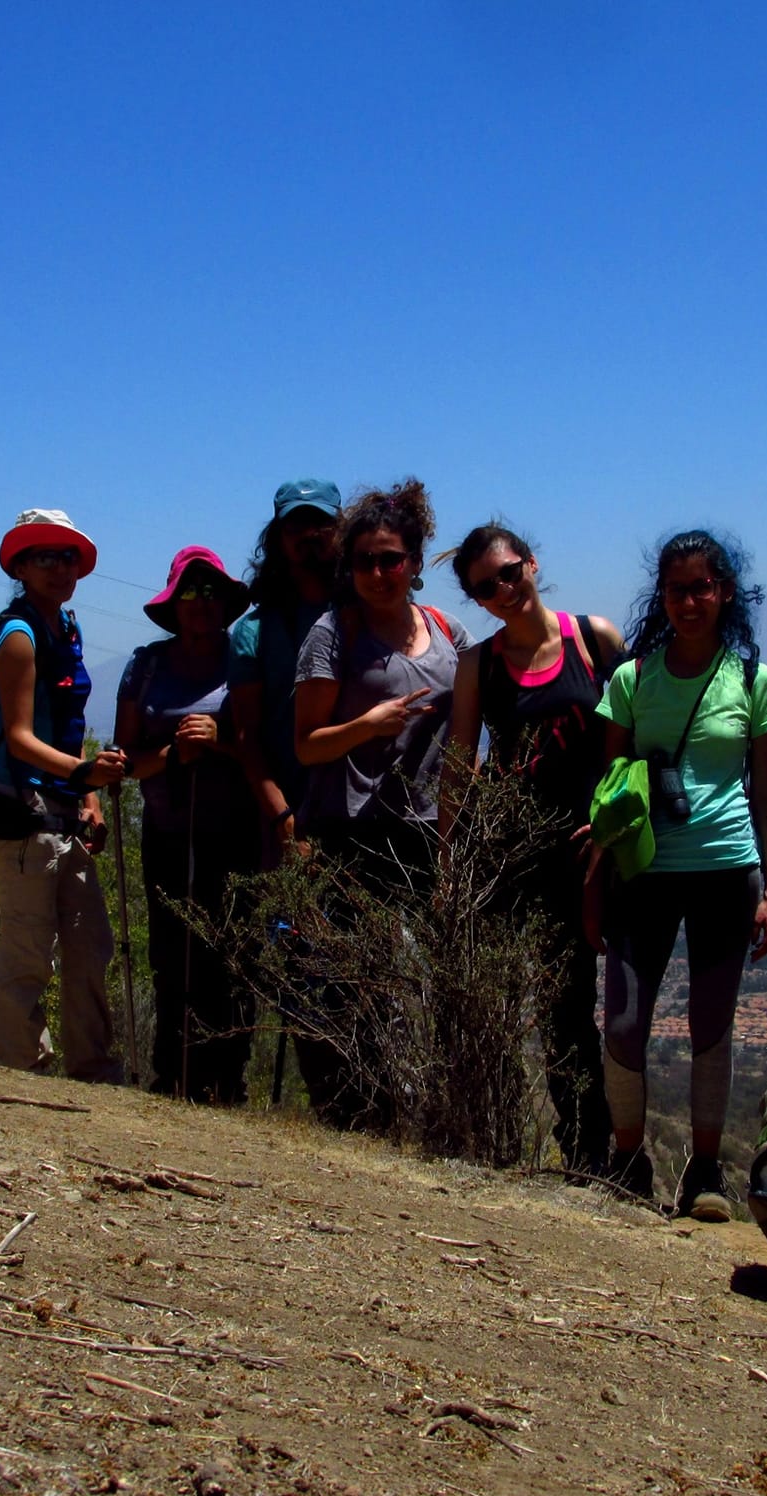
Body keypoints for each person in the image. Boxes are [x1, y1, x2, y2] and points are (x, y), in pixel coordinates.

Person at [592, 530, 767, 1219]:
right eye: (677, 589)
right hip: (643, 872)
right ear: (663, 597)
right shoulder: (631, 679)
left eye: (702, 586)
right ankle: (628, 1159)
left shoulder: (752, 681)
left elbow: (766, 793)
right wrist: (595, 881)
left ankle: (705, 1174)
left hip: (725, 871)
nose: (690, 600)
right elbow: (610, 783)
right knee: (622, 1021)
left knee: (712, 1025)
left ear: (725, 592)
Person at [290, 478, 474, 1127]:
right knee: (352, 984)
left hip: (430, 833)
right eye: (364, 560)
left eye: (390, 558)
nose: (377, 572)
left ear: (416, 564)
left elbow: (473, 728)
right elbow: (307, 746)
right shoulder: (333, 634)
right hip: (353, 834)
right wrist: (368, 725)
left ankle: (426, 1117)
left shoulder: (450, 633)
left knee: (427, 982)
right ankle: (359, 1118)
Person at [441, 523, 622, 1178]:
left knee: (591, 1011)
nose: (502, 591)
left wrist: (615, 827)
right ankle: (519, 1146)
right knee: (516, 1005)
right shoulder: (478, 666)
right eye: (484, 587)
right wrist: (448, 863)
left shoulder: (594, 640)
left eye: (509, 573)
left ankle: (603, 1159)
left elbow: (629, 744)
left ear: (533, 564)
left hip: (592, 856)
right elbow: (459, 767)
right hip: (511, 860)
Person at [0, 508, 127, 1083]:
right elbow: (18, 738)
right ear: (19, 565)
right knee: (28, 950)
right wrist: (84, 772)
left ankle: (94, 1071)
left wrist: (87, 798)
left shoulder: (67, 628)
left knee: (91, 946)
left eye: (67, 556)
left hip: (64, 810)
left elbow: (67, 721)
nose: (60, 567)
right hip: (20, 812)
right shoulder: (17, 636)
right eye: (44, 556)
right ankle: (20, 1072)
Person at [116, 546, 257, 1102]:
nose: (200, 605)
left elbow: (263, 747)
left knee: (232, 953)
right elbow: (125, 759)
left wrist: (220, 744)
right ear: (172, 604)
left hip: (236, 833)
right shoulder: (146, 665)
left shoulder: (247, 660)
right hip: (169, 831)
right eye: (189, 594)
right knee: (171, 954)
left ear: (225, 603)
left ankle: (227, 1080)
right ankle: (173, 1074)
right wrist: (176, 754)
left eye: (210, 593)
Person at [229, 479, 342, 867]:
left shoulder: (365, 616)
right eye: (296, 526)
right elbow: (247, 737)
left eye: (321, 525)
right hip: (288, 820)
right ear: (277, 537)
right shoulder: (253, 631)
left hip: (364, 818)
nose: (309, 535)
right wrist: (282, 818)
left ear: (340, 532)